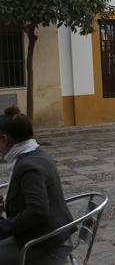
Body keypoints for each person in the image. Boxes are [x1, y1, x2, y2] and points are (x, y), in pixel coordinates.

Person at [0, 107, 74, 265]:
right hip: (50, 236)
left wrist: (5, 226)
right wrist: (6, 204)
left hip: (42, 246)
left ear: (4, 139)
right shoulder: (36, 154)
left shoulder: (28, 166)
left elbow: (38, 210)